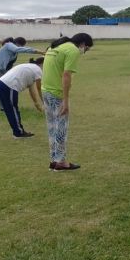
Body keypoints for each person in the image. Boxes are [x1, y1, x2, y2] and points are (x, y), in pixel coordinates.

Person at [41, 33, 94, 171]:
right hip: (56, 93)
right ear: (82, 44)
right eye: (86, 48)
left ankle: (54, 159)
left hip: (46, 91)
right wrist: (65, 100)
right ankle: (61, 162)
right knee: (61, 129)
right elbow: (66, 75)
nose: (84, 51)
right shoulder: (72, 50)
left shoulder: (56, 47)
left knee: (52, 127)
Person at [0, 37, 44, 109]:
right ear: (18, 43)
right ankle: (4, 108)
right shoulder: (9, 45)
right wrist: (36, 51)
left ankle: (8, 105)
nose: (22, 48)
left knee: (7, 86)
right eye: (22, 46)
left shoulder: (14, 51)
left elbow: (9, 63)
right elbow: (19, 49)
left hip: (3, 69)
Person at [0, 57, 45, 138]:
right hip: (9, 86)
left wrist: (37, 104)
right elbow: (39, 88)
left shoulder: (30, 68)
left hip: (1, 84)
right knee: (13, 110)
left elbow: (32, 89)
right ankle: (18, 133)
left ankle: (17, 131)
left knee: (10, 110)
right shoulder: (38, 70)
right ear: (43, 64)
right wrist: (45, 102)